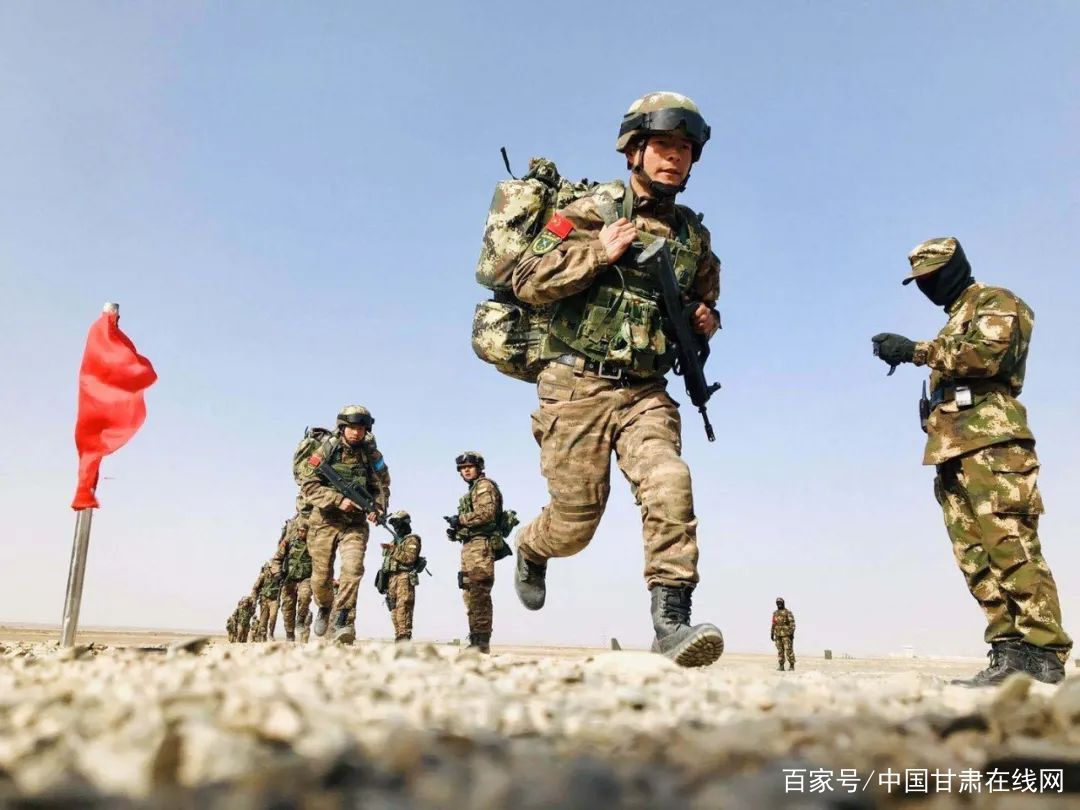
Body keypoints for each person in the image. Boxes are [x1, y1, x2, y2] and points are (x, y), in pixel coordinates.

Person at [509, 91, 724, 667]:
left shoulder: (694, 239)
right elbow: (527, 279)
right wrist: (598, 255)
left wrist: (707, 320)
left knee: (670, 481)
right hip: (576, 386)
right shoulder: (593, 209)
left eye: (684, 149)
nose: (674, 157)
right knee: (574, 525)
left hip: (645, 393)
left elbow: (704, 304)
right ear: (634, 151)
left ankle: (671, 624)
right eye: (663, 145)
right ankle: (532, 546)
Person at [872, 236, 1071, 686]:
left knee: (1011, 547)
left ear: (955, 268)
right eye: (920, 282)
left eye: (933, 277)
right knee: (975, 557)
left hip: (994, 444)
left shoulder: (996, 301)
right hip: (952, 449)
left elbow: (987, 356)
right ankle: (1008, 651)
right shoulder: (953, 321)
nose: (927, 287)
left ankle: (1044, 652)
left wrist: (915, 351)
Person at [293, 405, 391, 643]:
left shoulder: (371, 456)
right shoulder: (326, 450)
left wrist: (378, 509)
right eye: (352, 428)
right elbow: (308, 486)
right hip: (324, 521)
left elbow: (382, 486)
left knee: (353, 569)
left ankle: (343, 620)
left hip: (355, 524)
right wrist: (338, 500)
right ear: (342, 427)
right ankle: (325, 606)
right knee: (321, 578)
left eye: (361, 429)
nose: (356, 433)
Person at [448, 451, 509, 653]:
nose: (466, 471)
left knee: (479, 593)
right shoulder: (473, 489)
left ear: (479, 468)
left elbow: (487, 514)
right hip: (470, 546)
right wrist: (457, 531)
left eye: (470, 467)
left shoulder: (484, 486)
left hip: (480, 545)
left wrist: (460, 520)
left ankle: (481, 644)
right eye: (462, 468)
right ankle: (475, 639)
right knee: (469, 593)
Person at [379, 510, 423, 641]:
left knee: (404, 607)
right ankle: (399, 635)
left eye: (397, 523)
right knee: (393, 608)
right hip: (392, 579)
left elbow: (409, 558)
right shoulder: (395, 541)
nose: (395, 527)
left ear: (405, 523)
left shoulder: (411, 540)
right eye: (394, 524)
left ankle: (404, 637)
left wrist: (392, 549)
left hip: (404, 577)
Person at [274, 513, 313, 642]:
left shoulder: (313, 545)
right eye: (300, 531)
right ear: (297, 530)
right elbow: (277, 559)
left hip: (305, 579)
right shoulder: (288, 542)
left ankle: (300, 620)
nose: (303, 533)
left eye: (305, 531)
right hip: (289, 579)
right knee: (287, 609)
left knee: (305, 596)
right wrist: (277, 574)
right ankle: (290, 634)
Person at [251, 561, 281, 642]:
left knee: (273, 616)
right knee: (263, 621)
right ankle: (263, 637)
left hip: (274, 600)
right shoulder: (263, 576)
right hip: (264, 600)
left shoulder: (280, 576)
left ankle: (271, 634)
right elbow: (255, 588)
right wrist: (254, 600)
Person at [770, 597, 795, 671]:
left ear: (783, 603)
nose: (779, 604)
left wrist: (791, 633)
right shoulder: (775, 613)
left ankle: (791, 665)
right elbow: (773, 624)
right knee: (780, 651)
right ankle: (781, 666)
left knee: (788, 650)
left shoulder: (788, 612)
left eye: (780, 603)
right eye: (777, 603)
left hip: (786, 635)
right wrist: (772, 633)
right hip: (777, 634)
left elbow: (792, 624)